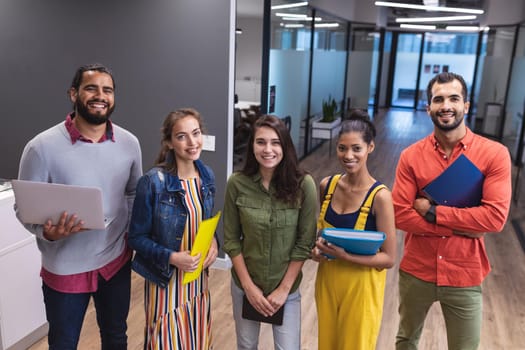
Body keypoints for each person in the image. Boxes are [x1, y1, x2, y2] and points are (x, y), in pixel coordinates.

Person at [16, 63, 143, 349]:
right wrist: (47, 233)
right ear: (73, 94)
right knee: (63, 342)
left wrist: (132, 237)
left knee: (116, 336)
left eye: (107, 90)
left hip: (115, 261)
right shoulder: (41, 147)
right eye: (91, 88)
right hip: (65, 266)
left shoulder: (129, 143)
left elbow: (134, 193)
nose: (100, 96)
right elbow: (23, 208)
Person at [392, 72, 512, 350]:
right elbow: (400, 214)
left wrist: (431, 211)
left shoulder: (493, 154)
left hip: (464, 272)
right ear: (428, 107)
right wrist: (466, 225)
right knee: (406, 341)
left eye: (454, 98)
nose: (446, 105)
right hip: (417, 270)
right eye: (438, 99)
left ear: (466, 106)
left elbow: (493, 218)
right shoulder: (411, 156)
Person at [223, 115, 317, 350]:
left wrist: (283, 290)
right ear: (251, 145)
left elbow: (305, 243)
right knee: (246, 346)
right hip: (245, 284)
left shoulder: (304, 184)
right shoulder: (237, 183)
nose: (268, 149)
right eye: (260, 142)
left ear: (285, 146)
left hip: (286, 287)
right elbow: (231, 240)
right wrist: (248, 287)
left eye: (275, 142)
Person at [128, 108, 218, 349]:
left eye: (196, 133)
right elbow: (136, 238)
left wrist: (214, 242)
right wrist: (172, 257)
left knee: (195, 340)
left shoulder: (206, 175)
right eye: (181, 136)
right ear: (169, 142)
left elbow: (205, 220)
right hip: (165, 282)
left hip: (198, 281)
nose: (192, 142)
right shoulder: (153, 182)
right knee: (167, 342)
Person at [311, 110, 397, 350]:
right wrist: (315, 252)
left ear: (370, 147)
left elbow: (389, 258)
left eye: (356, 148)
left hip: (362, 290)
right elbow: (319, 237)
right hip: (327, 283)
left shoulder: (380, 197)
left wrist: (345, 256)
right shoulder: (326, 186)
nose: (348, 156)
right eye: (342, 148)